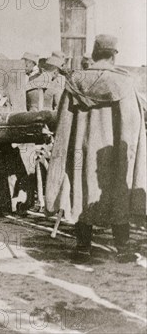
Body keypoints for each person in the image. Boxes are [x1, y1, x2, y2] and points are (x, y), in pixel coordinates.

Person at [45, 34, 146, 263]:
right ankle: (122, 248)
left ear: (94, 53)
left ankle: (82, 248)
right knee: (118, 192)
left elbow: (63, 123)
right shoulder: (123, 82)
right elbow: (131, 125)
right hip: (112, 153)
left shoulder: (75, 81)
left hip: (82, 150)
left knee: (81, 190)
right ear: (113, 55)